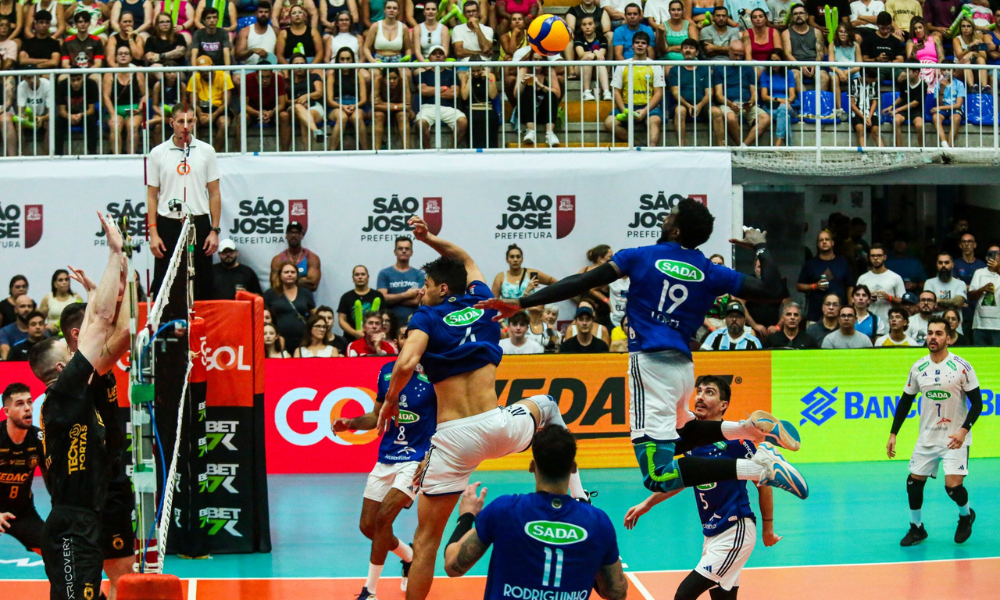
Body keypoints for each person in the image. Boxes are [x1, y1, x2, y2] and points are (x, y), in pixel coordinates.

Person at [477, 200, 807, 501]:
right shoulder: (710, 270)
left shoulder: (639, 256)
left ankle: (760, 469)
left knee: (658, 476)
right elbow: (773, 291)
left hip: (650, 365)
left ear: (675, 229)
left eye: (671, 215)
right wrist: (761, 247)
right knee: (682, 432)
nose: (665, 218)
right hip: (682, 368)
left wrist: (522, 301)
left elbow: (581, 283)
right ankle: (750, 429)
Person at [374, 216, 593, 600]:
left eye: (425, 287)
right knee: (547, 404)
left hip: (455, 440)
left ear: (442, 290)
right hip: (499, 428)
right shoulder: (482, 298)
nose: (420, 293)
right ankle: (578, 496)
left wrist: (389, 402)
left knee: (425, 542)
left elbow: (406, 364)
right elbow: (463, 256)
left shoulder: (426, 316)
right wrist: (430, 239)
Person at [28, 214, 131, 600]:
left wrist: (119, 282)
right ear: (61, 367)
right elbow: (101, 323)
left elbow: (111, 333)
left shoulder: (70, 393)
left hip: (82, 518)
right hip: (73, 527)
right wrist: (115, 254)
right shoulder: (64, 393)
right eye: (67, 354)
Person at [625, 376, 781, 600]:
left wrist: (768, 528)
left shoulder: (738, 442)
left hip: (735, 529)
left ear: (723, 405)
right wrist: (646, 504)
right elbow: (680, 481)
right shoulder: (691, 442)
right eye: (698, 391)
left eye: (709, 392)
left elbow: (763, 484)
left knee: (684, 595)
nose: (699, 396)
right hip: (711, 533)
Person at [442, 425, 628, 600]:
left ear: (532, 466)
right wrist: (593, 554)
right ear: (573, 468)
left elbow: (453, 566)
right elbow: (616, 592)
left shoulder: (504, 510)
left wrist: (466, 516)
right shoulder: (598, 522)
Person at [335, 326, 436, 600]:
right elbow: (377, 415)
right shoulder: (386, 372)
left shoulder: (435, 373)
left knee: (383, 520)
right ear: (397, 341)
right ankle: (409, 555)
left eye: (415, 334)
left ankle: (369, 591)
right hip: (387, 457)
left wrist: (430, 457)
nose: (409, 338)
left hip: (415, 459)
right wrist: (351, 423)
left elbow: (447, 421)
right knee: (368, 526)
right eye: (405, 334)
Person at [59, 300, 135, 600]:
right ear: (78, 335)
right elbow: (128, 330)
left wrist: (97, 292)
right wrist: (121, 261)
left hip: (100, 481)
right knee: (122, 574)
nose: (107, 328)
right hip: (102, 487)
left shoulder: (88, 365)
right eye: (100, 324)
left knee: (94, 578)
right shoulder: (86, 371)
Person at [887, 317, 981, 546]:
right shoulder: (918, 367)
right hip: (927, 437)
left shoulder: (962, 366)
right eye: (930, 333)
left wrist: (963, 430)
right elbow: (905, 401)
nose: (933, 337)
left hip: (954, 439)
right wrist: (893, 433)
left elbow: (978, 404)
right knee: (913, 482)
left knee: (952, 487)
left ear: (948, 338)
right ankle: (917, 528)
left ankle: (966, 516)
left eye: (939, 333)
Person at [147, 103, 221, 301]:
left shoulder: (207, 151)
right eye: (181, 121)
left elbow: (214, 193)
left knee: (203, 281)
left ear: (195, 122)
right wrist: (153, 233)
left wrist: (214, 230)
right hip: (168, 224)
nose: (185, 126)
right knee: (166, 281)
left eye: (190, 121)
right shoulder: (157, 153)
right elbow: (152, 195)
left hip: (199, 222)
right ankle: (166, 328)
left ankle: (202, 329)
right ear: (172, 123)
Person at [0, 383, 46, 556]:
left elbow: (54, 478)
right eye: (19, 404)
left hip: (22, 512)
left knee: (52, 550)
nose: (27, 408)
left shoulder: (39, 439)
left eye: (29, 402)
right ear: (6, 411)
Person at [605, 32, 664, 147]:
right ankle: (638, 145)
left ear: (648, 46)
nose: (640, 45)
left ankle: (651, 149)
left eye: (643, 43)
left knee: (655, 121)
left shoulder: (655, 65)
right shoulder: (623, 65)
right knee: (609, 123)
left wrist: (645, 111)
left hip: (648, 107)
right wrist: (624, 110)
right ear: (632, 46)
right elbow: (616, 91)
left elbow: (658, 93)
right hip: (627, 106)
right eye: (637, 43)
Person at [712, 41, 770, 146]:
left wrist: (751, 103)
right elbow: (718, 94)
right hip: (728, 104)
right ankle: (740, 146)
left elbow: (754, 92)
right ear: (729, 52)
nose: (738, 58)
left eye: (741, 55)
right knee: (730, 117)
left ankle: (744, 147)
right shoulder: (719, 68)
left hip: (746, 104)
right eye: (736, 55)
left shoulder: (747, 67)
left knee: (765, 118)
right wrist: (730, 104)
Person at [797, 230, 855, 323]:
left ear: (832, 243)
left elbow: (850, 286)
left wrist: (850, 307)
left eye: (827, 239)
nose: (824, 242)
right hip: (815, 315)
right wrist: (814, 286)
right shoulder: (810, 264)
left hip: (839, 315)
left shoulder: (843, 263)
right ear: (818, 244)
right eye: (821, 240)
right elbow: (799, 286)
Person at [263, 260, 317, 352]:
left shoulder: (306, 293)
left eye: (293, 272)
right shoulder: (270, 293)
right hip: (276, 339)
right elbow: (263, 316)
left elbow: (314, 315)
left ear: (297, 275)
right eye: (286, 272)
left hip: (302, 339)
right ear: (280, 275)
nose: (290, 274)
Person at [103, 44, 147, 155]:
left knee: (132, 127)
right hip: (116, 110)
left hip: (134, 109)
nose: (123, 56)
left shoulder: (138, 73)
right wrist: (113, 114)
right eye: (120, 54)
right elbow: (106, 96)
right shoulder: (109, 74)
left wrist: (140, 108)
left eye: (126, 54)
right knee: (115, 125)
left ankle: (131, 157)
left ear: (131, 58)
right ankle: (116, 157)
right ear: (116, 57)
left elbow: (145, 94)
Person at [514, 48, 562, 146]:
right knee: (528, 90)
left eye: (541, 60)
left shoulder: (549, 70)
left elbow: (557, 93)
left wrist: (541, 86)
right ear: (530, 60)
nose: (538, 63)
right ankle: (531, 131)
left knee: (550, 94)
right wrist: (523, 82)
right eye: (535, 60)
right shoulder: (524, 69)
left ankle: (550, 133)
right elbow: (516, 94)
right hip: (526, 112)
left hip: (543, 112)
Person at [186, 54, 234, 151]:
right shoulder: (194, 78)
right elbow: (193, 103)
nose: (204, 72)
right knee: (191, 123)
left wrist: (214, 115)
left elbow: (226, 103)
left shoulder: (224, 76)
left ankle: (214, 153)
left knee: (224, 123)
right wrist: (199, 114)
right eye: (201, 70)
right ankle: (197, 153)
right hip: (201, 108)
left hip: (218, 108)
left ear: (212, 66)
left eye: (206, 69)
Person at [378, 236, 426, 323]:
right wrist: (406, 295)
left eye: (407, 248)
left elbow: (416, 301)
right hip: (389, 324)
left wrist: (392, 299)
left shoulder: (419, 274)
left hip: (413, 322)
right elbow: (382, 299)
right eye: (400, 248)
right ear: (395, 252)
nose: (404, 251)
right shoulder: (384, 273)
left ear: (411, 252)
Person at [784, 4, 830, 93]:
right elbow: (787, 53)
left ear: (807, 15)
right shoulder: (786, 33)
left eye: (801, 13)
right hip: (795, 65)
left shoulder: (817, 32)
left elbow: (820, 52)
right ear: (792, 17)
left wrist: (815, 65)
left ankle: (817, 104)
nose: (798, 15)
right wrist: (800, 65)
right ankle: (806, 102)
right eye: (795, 14)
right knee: (794, 75)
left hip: (814, 63)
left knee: (824, 76)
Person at [54, 68, 100, 156]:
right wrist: (70, 116)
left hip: (85, 115)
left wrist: (81, 115)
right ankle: (58, 154)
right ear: (69, 79)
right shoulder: (63, 85)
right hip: (67, 116)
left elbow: (91, 109)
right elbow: (61, 111)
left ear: (83, 78)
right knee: (58, 122)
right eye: (73, 80)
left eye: (78, 79)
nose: (76, 83)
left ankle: (92, 153)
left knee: (92, 120)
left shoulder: (91, 84)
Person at [856, 243, 906, 322]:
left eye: (879, 255)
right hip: (867, 321)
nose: (875, 258)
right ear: (869, 257)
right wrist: (867, 298)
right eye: (873, 256)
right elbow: (856, 301)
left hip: (888, 321)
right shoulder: (862, 278)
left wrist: (889, 298)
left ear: (885, 257)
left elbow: (902, 302)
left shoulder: (895, 277)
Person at [269, 221, 321, 292]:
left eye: (297, 233)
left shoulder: (311, 258)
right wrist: (302, 279)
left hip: (304, 300)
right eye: (291, 233)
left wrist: (286, 279)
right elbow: (275, 284)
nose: (293, 235)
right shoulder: (278, 259)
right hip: (283, 300)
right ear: (286, 236)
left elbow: (313, 285)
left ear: (301, 236)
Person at [373, 68, 416, 149]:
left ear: (398, 77)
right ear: (383, 78)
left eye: (394, 78)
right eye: (389, 78)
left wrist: (383, 104)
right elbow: (374, 105)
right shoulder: (377, 80)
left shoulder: (403, 80)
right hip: (383, 111)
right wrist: (397, 106)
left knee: (402, 115)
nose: (392, 81)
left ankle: (406, 150)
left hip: (398, 111)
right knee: (378, 115)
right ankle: (376, 151)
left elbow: (407, 104)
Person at [339, 266, 385, 340]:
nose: (360, 277)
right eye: (357, 275)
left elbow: (384, 317)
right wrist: (354, 333)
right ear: (353, 278)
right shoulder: (346, 297)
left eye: (363, 274)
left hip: (374, 338)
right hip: (351, 338)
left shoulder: (377, 295)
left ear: (368, 277)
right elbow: (341, 320)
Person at [574, 15, 612, 101]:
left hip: (597, 69)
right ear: (581, 26)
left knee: (600, 61)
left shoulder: (602, 38)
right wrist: (595, 51)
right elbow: (581, 54)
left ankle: (606, 92)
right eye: (584, 24)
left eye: (590, 24)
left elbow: (601, 55)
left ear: (595, 25)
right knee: (587, 60)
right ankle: (586, 92)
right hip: (580, 69)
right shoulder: (579, 38)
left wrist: (594, 53)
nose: (587, 27)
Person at [967, 245, 1000, 346]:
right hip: (980, 325)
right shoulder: (979, 273)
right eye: (991, 254)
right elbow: (970, 297)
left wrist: (998, 269)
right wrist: (982, 289)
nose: (994, 256)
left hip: (998, 327)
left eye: (997, 254)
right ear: (986, 258)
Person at [363, 0, 411, 64]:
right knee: (376, 73)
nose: (391, 10)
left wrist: (407, 59)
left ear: (398, 11)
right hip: (379, 59)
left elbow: (408, 49)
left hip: (398, 60)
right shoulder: (375, 26)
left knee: (407, 74)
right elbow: (366, 48)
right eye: (388, 8)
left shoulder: (403, 27)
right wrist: (372, 60)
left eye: (395, 8)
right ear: (384, 10)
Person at [38, 269, 83, 335]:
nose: (64, 282)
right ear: (55, 284)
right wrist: (46, 326)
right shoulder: (48, 298)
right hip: (52, 334)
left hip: (72, 333)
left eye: (66, 279)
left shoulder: (76, 297)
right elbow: (39, 319)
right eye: (60, 280)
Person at [932, 61, 965, 148]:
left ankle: (949, 148)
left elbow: (958, 105)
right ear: (941, 72)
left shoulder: (959, 84)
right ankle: (944, 144)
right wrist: (942, 89)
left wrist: (938, 108)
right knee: (936, 117)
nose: (946, 72)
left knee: (956, 118)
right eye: (944, 70)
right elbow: (938, 103)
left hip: (954, 109)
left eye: (948, 70)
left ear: (953, 72)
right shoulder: (938, 84)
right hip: (943, 109)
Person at [953, 18, 987, 92]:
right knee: (966, 61)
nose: (966, 28)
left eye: (968, 26)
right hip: (959, 69)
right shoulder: (956, 39)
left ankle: (984, 87)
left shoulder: (977, 39)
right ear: (960, 28)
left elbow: (984, 57)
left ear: (973, 28)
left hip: (974, 70)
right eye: (963, 26)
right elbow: (959, 56)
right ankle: (972, 87)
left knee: (980, 59)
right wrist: (970, 47)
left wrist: (978, 47)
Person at [0, 295, 36, 360]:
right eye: (22, 306)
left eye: (29, 306)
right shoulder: (5, 332)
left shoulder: (42, 331)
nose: (26, 309)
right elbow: (6, 357)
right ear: (16, 309)